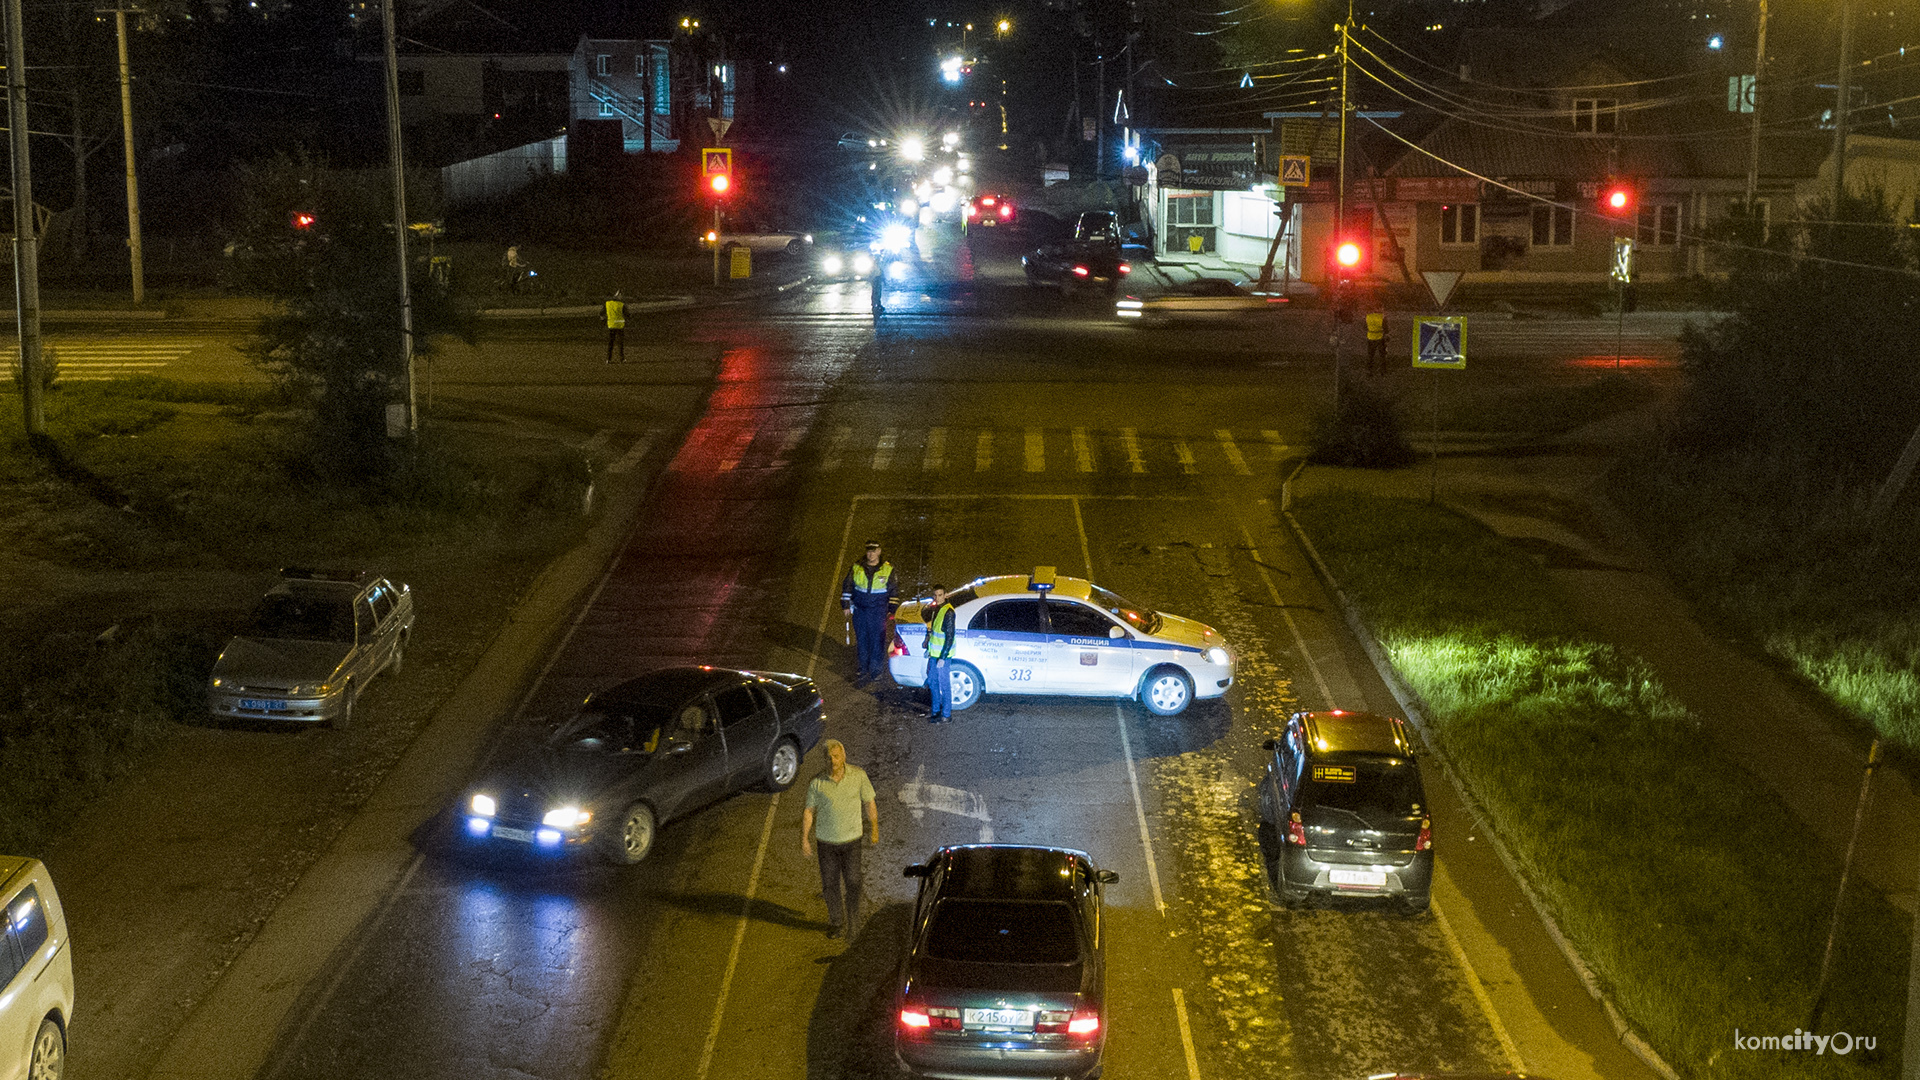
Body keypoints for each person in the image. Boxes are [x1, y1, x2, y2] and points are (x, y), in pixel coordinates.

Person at [801, 739, 877, 939]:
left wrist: (874, 828)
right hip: (826, 843)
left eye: (836, 756)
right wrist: (805, 838)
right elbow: (809, 811)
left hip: (852, 841)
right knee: (830, 885)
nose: (833, 761)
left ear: (844, 756)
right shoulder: (816, 783)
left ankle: (854, 923)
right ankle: (837, 922)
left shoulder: (858, 776)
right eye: (829, 757)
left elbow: (869, 802)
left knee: (853, 882)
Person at [841, 541, 896, 683]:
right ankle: (863, 668)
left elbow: (893, 591)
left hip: (878, 612)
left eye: (873, 551)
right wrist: (846, 605)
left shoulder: (887, 569)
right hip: (860, 611)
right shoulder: (857, 567)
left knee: (877, 641)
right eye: (868, 551)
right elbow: (847, 585)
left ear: (879, 551)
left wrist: (892, 610)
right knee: (862, 640)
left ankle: (876, 671)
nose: (870, 554)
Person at [924, 585, 957, 723]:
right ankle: (936, 711)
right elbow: (934, 632)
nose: (937, 598)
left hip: (943, 656)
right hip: (934, 654)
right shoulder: (936, 609)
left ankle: (946, 714)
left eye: (940, 595)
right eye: (935, 595)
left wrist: (943, 657)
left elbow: (949, 636)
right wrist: (928, 647)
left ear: (945, 595)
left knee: (944, 684)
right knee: (932, 682)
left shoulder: (948, 612)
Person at [604, 291, 627, 364]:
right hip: (620, 326)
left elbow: (601, 313)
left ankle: (608, 359)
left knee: (610, 343)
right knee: (620, 343)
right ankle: (622, 359)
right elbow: (627, 314)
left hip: (611, 325)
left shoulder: (607, 304)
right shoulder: (621, 305)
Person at [1365, 306, 1389, 375]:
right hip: (1380, 337)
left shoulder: (1368, 316)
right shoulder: (1382, 317)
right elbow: (1386, 328)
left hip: (1370, 337)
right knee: (1382, 355)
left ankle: (1369, 370)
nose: (1383, 309)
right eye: (1382, 308)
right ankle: (1383, 371)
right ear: (1378, 309)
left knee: (1370, 355)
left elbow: (1365, 326)